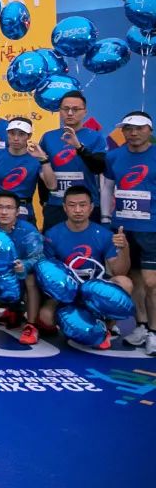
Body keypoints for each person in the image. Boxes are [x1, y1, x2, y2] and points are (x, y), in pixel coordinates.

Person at [42, 186, 130, 349]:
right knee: (46, 317)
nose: (77, 210)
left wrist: (124, 248)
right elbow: (48, 273)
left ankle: (108, 326)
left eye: (82, 205)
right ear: (64, 207)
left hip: (94, 292)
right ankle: (72, 321)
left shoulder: (104, 234)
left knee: (124, 283)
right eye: (72, 205)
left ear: (91, 207)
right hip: (67, 293)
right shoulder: (52, 235)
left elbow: (120, 271)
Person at [104, 110, 156, 356]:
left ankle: (154, 332)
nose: (133, 133)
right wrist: (106, 218)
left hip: (152, 229)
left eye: (139, 128)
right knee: (133, 279)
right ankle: (142, 326)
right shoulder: (114, 156)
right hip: (123, 227)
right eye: (128, 129)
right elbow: (108, 187)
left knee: (151, 282)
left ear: (149, 131)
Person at [0, 193, 45, 344]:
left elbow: (39, 257)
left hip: (23, 280)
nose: (4, 212)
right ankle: (15, 311)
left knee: (31, 278)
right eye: (0, 207)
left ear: (17, 211)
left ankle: (31, 326)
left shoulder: (28, 231)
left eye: (9, 208)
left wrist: (24, 265)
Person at [38, 91, 106, 231]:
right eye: (65, 109)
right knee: (52, 249)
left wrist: (79, 147)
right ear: (60, 110)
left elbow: (99, 167)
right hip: (56, 205)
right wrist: (44, 201)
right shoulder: (48, 137)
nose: (70, 113)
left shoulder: (95, 137)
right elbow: (42, 171)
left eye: (75, 109)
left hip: (86, 206)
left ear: (85, 112)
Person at [0, 118, 55, 227]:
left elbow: (52, 185)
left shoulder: (35, 159)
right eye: (12, 134)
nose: (16, 138)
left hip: (25, 210)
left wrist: (43, 159)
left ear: (29, 136)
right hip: (0, 210)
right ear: (7, 134)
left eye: (21, 134)